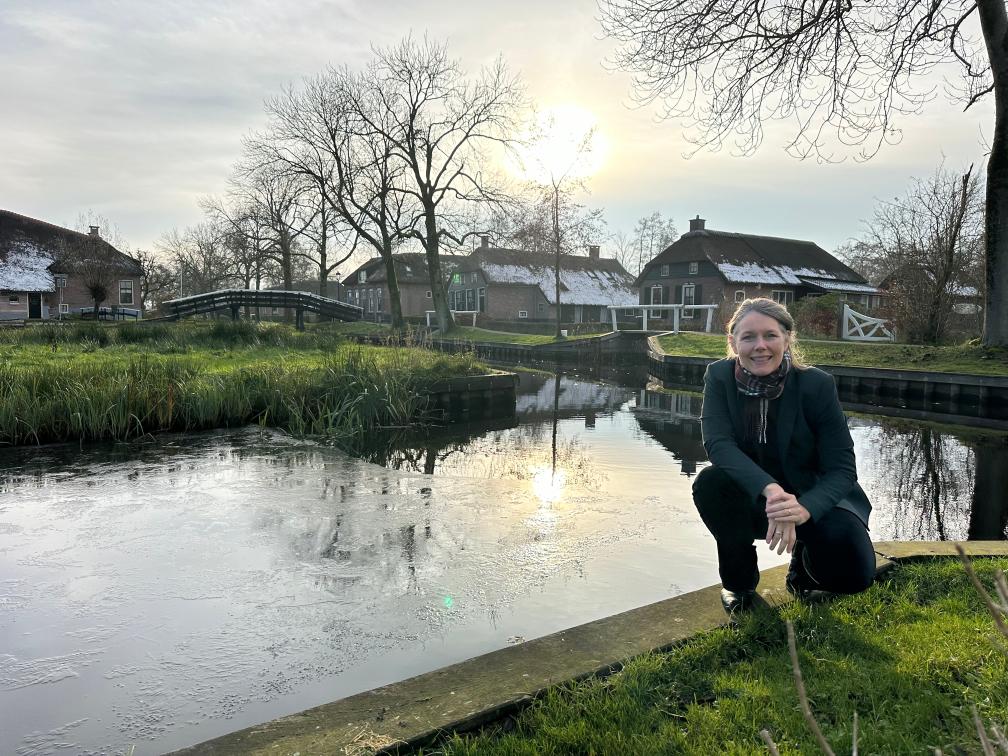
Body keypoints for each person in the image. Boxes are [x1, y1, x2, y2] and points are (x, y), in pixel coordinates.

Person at [692, 297, 876, 616]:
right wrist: (772, 491)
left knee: (854, 576)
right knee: (711, 482)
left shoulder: (816, 385)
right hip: (756, 495)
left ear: (787, 338)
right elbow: (719, 445)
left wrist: (803, 509)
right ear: (733, 342)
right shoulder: (719, 378)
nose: (759, 346)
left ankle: (803, 570)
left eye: (770, 335)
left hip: (812, 494)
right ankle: (739, 583)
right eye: (748, 337)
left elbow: (842, 469)